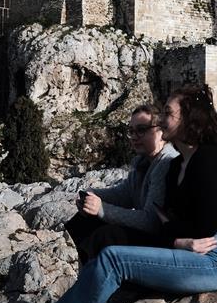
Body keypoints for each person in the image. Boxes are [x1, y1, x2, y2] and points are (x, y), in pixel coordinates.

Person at [0, 85, 217, 303]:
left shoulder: (206, 160)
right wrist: (176, 236)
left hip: (216, 259)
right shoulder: (177, 167)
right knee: (108, 257)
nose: (161, 120)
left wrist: (175, 235)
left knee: (114, 258)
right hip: (190, 252)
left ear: (189, 118)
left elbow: (203, 230)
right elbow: (167, 223)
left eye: (168, 113)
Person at [63, 105, 177, 265]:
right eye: (131, 131)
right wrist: (91, 194)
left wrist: (102, 209)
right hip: (153, 233)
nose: (134, 137)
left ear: (162, 132)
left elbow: (151, 221)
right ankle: (86, 275)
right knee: (83, 220)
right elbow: (124, 195)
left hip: (166, 241)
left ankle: (97, 280)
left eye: (142, 130)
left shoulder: (165, 163)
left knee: (107, 234)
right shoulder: (143, 162)